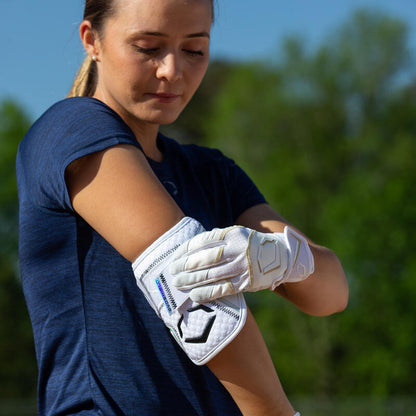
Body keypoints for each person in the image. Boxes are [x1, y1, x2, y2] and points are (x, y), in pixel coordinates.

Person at [16, 0, 348, 415]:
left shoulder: (211, 173)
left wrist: (280, 258)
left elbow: (332, 293)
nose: (172, 70)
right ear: (92, 40)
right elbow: (185, 283)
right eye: (148, 47)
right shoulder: (72, 129)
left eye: (194, 50)